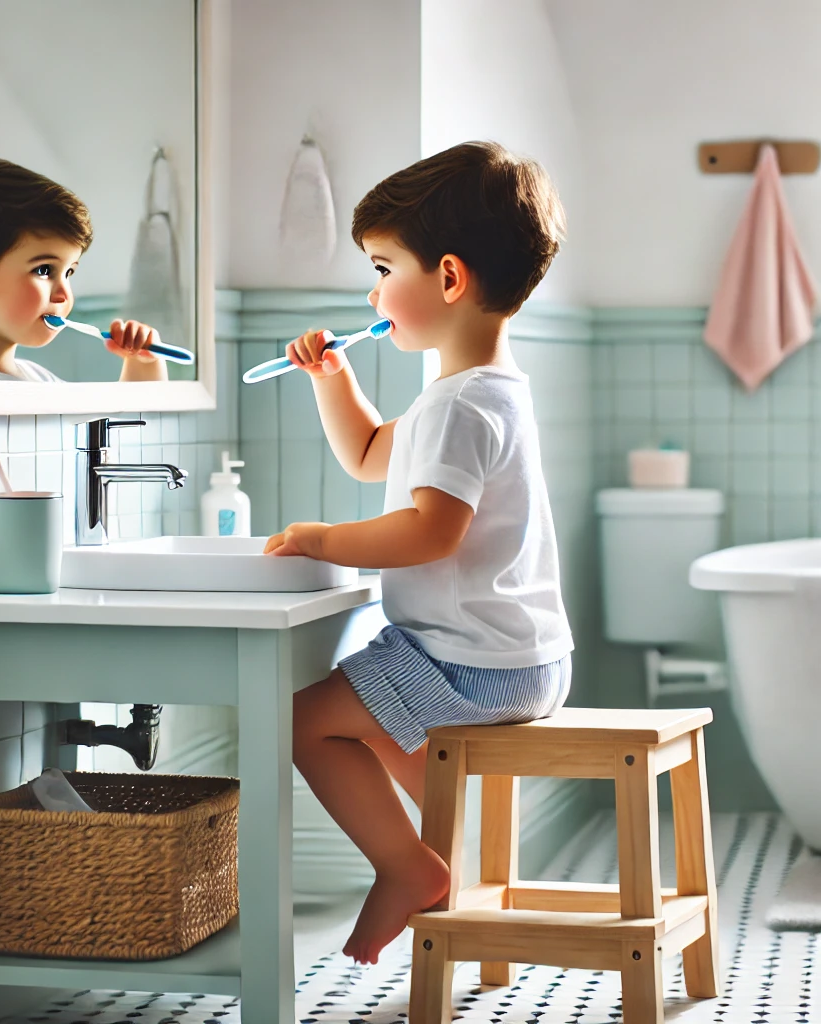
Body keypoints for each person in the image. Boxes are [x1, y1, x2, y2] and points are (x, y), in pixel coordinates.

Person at [264, 141, 574, 965]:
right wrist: (333, 380)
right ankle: (436, 844)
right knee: (354, 711)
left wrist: (321, 540)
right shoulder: (482, 391)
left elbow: (431, 531)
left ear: (446, 278)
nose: (372, 293)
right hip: (516, 659)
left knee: (297, 721)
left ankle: (406, 868)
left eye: (381, 267)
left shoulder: (458, 406)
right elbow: (370, 456)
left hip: (470, 665)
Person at [0, 156, 167, 383]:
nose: (64, 295)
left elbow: (132, 419)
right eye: (44, 270)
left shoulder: (45, 383)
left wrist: (143, 363)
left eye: (69, 273)